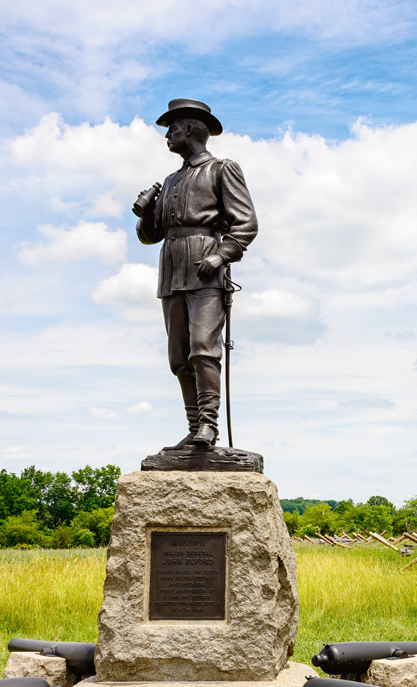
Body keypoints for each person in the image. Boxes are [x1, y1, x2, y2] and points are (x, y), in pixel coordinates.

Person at [134, 99, 258, 448]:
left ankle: (208, 426)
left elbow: (245, 224)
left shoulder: (222, 169)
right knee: (178, 356)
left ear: (190, 128)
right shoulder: (171, 180)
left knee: (203, 348)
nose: (167, 136)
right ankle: (193, 431)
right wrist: (144, 213)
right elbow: (150, 236)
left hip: (204, 266)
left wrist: (221, 256)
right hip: (171, 268)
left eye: (171, 128)